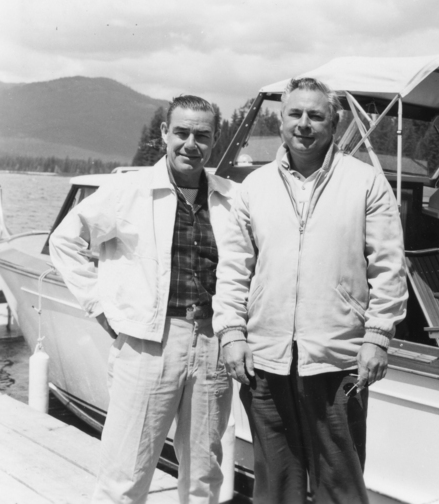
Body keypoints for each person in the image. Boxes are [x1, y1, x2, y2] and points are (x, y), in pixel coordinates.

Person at [213, 77, 407, 504]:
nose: (304, 124)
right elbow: (233, 271)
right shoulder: (254, 188)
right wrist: (231, 333)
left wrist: (377, 337)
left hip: (338, 359)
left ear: (333, 124)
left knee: (341, 488)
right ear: (281, 121)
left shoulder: (366, 184)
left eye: (316, 116)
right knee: (276, 487)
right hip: (265, 360)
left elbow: (390, 268)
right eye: (295, 114)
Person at [49, 95, 236, 504]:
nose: (191, 144)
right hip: (149, 345)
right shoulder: (128, 190)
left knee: (205, 475)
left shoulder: (232, 198)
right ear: (165, 134)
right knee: (125, 474)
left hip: (212, 343)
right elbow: (65, 242)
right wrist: (100, 308)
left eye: (202, 136)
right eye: (182, 133)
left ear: (215, 140)